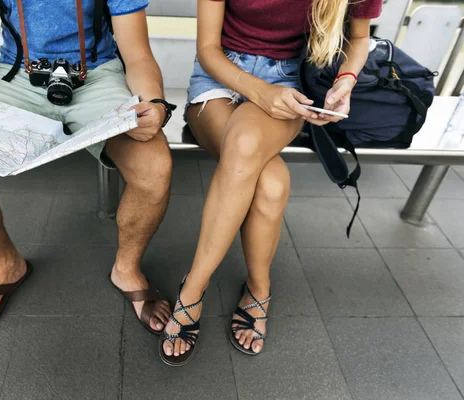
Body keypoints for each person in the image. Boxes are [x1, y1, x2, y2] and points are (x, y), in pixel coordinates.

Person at [0, 0, 173, 336]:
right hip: (15, 76)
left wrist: (153, 102)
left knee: (155, 168)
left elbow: (137, 54)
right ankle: (6, 265)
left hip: (97, 76)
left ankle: (127, 268)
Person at [160, 0, 382, 366]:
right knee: (271, 182)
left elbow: (359, 39)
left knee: (252, 155)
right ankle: (241, 289)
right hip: (219, 74)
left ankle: (203, 289)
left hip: (289, 80)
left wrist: (346, 80)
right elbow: (207, 49)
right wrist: (259, 91)